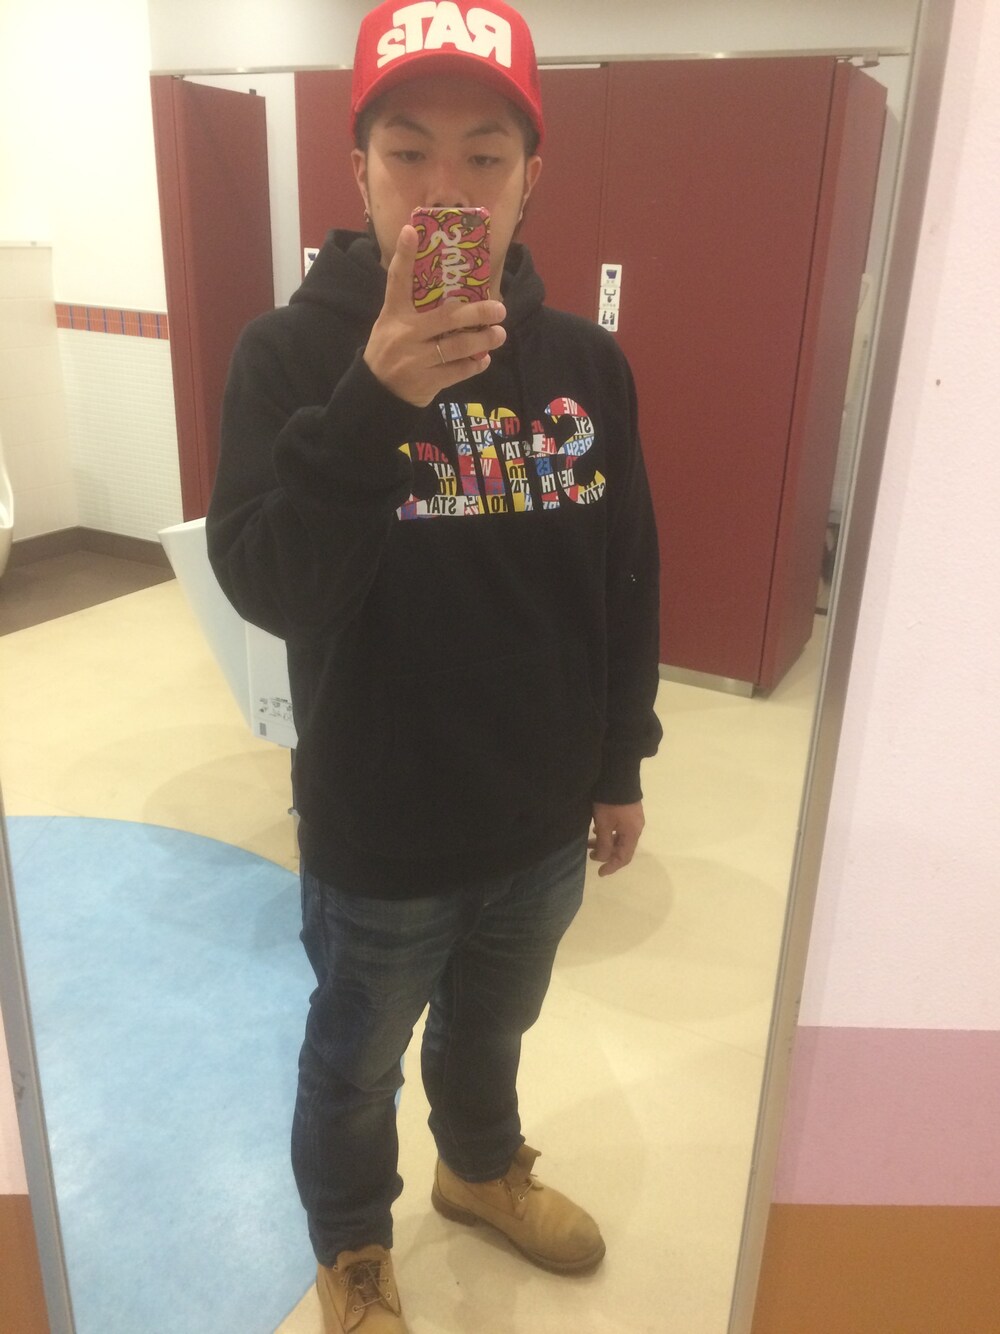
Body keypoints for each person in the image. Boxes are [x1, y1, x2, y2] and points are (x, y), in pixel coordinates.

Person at [206, 1, 662, 1328]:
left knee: (491, 1031)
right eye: (408, 152)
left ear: (531, 178)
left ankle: (476, 1169)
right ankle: (354, 1246)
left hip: (539, 817)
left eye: (484, 157)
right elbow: (271, 585)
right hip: (379, 823)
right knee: (354, 1065)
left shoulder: (584, 364)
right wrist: (376, 400)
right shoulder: (289, 356)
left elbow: (626, 580)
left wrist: (620, 764)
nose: (444, 190)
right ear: (357, 171)